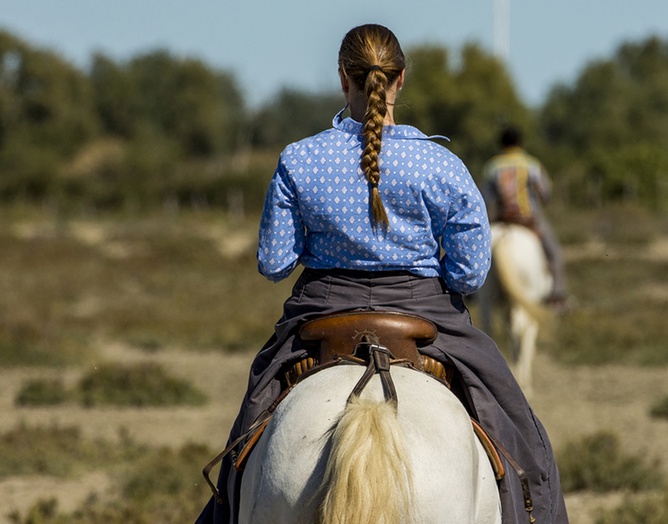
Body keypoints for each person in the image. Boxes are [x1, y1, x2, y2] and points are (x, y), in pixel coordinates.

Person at [195, 24, 568, 524]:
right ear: (400, 80)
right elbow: (470, 274)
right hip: (425, 309)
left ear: (343, 79)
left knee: (242, 448)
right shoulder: (442, 164)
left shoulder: (298, 159)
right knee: (525, 436)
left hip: (319, 310)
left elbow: (274, 263)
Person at [481, 127, 572, 310]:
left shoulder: (492, 167)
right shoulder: (531, 164)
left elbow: (486, 198)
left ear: (501, 144)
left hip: (501, 219)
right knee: (554, 253)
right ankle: (557, 296)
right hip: (528, 218)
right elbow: (545, 193)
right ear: (520, 143)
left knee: (479, 250)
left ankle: (472, 292)